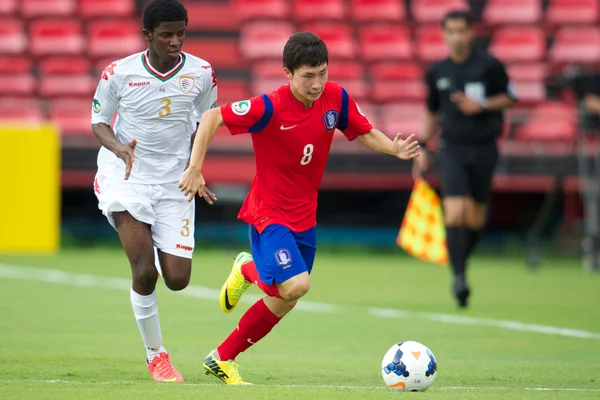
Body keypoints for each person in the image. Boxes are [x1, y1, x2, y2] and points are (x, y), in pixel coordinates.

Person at [177, 31, 420, 385]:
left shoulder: (336, 98)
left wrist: (393, 149)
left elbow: (363, 131)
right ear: (288, 73)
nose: (317, 83)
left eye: (322, 72)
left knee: (285, 299)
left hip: (304, 217)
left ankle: (222, 357)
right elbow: (212, 118)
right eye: (308, 75)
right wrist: (195, 167)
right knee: (296, 285)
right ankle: (247, 270)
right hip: (269, 213)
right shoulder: (269, 107)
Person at [90, 0, 217, 382]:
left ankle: (158, 251)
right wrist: (118, 148)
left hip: (172, 181)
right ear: (148, 35)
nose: (175, 41)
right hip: (125, 176)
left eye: (181, 33)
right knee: (145, 271)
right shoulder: (119, 72)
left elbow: (208, 121)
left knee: (177, 279)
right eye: (166, 34)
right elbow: (98, 121)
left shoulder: (202, 73)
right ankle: (156, 355)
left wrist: (195, 168)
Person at [412, 10, 517, 308]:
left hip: (484, 147)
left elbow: (510, 97)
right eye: (452, 31)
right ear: (444, 35)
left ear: (471, 33)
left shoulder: (490, 65)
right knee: (455, 212)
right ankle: (459, 277)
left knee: (476, 218)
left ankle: (460, 265)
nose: (457, 36)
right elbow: (432, 113)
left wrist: (481, 104)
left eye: (462, 30)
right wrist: (423, 147)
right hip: (452, 148)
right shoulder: (438, 72)